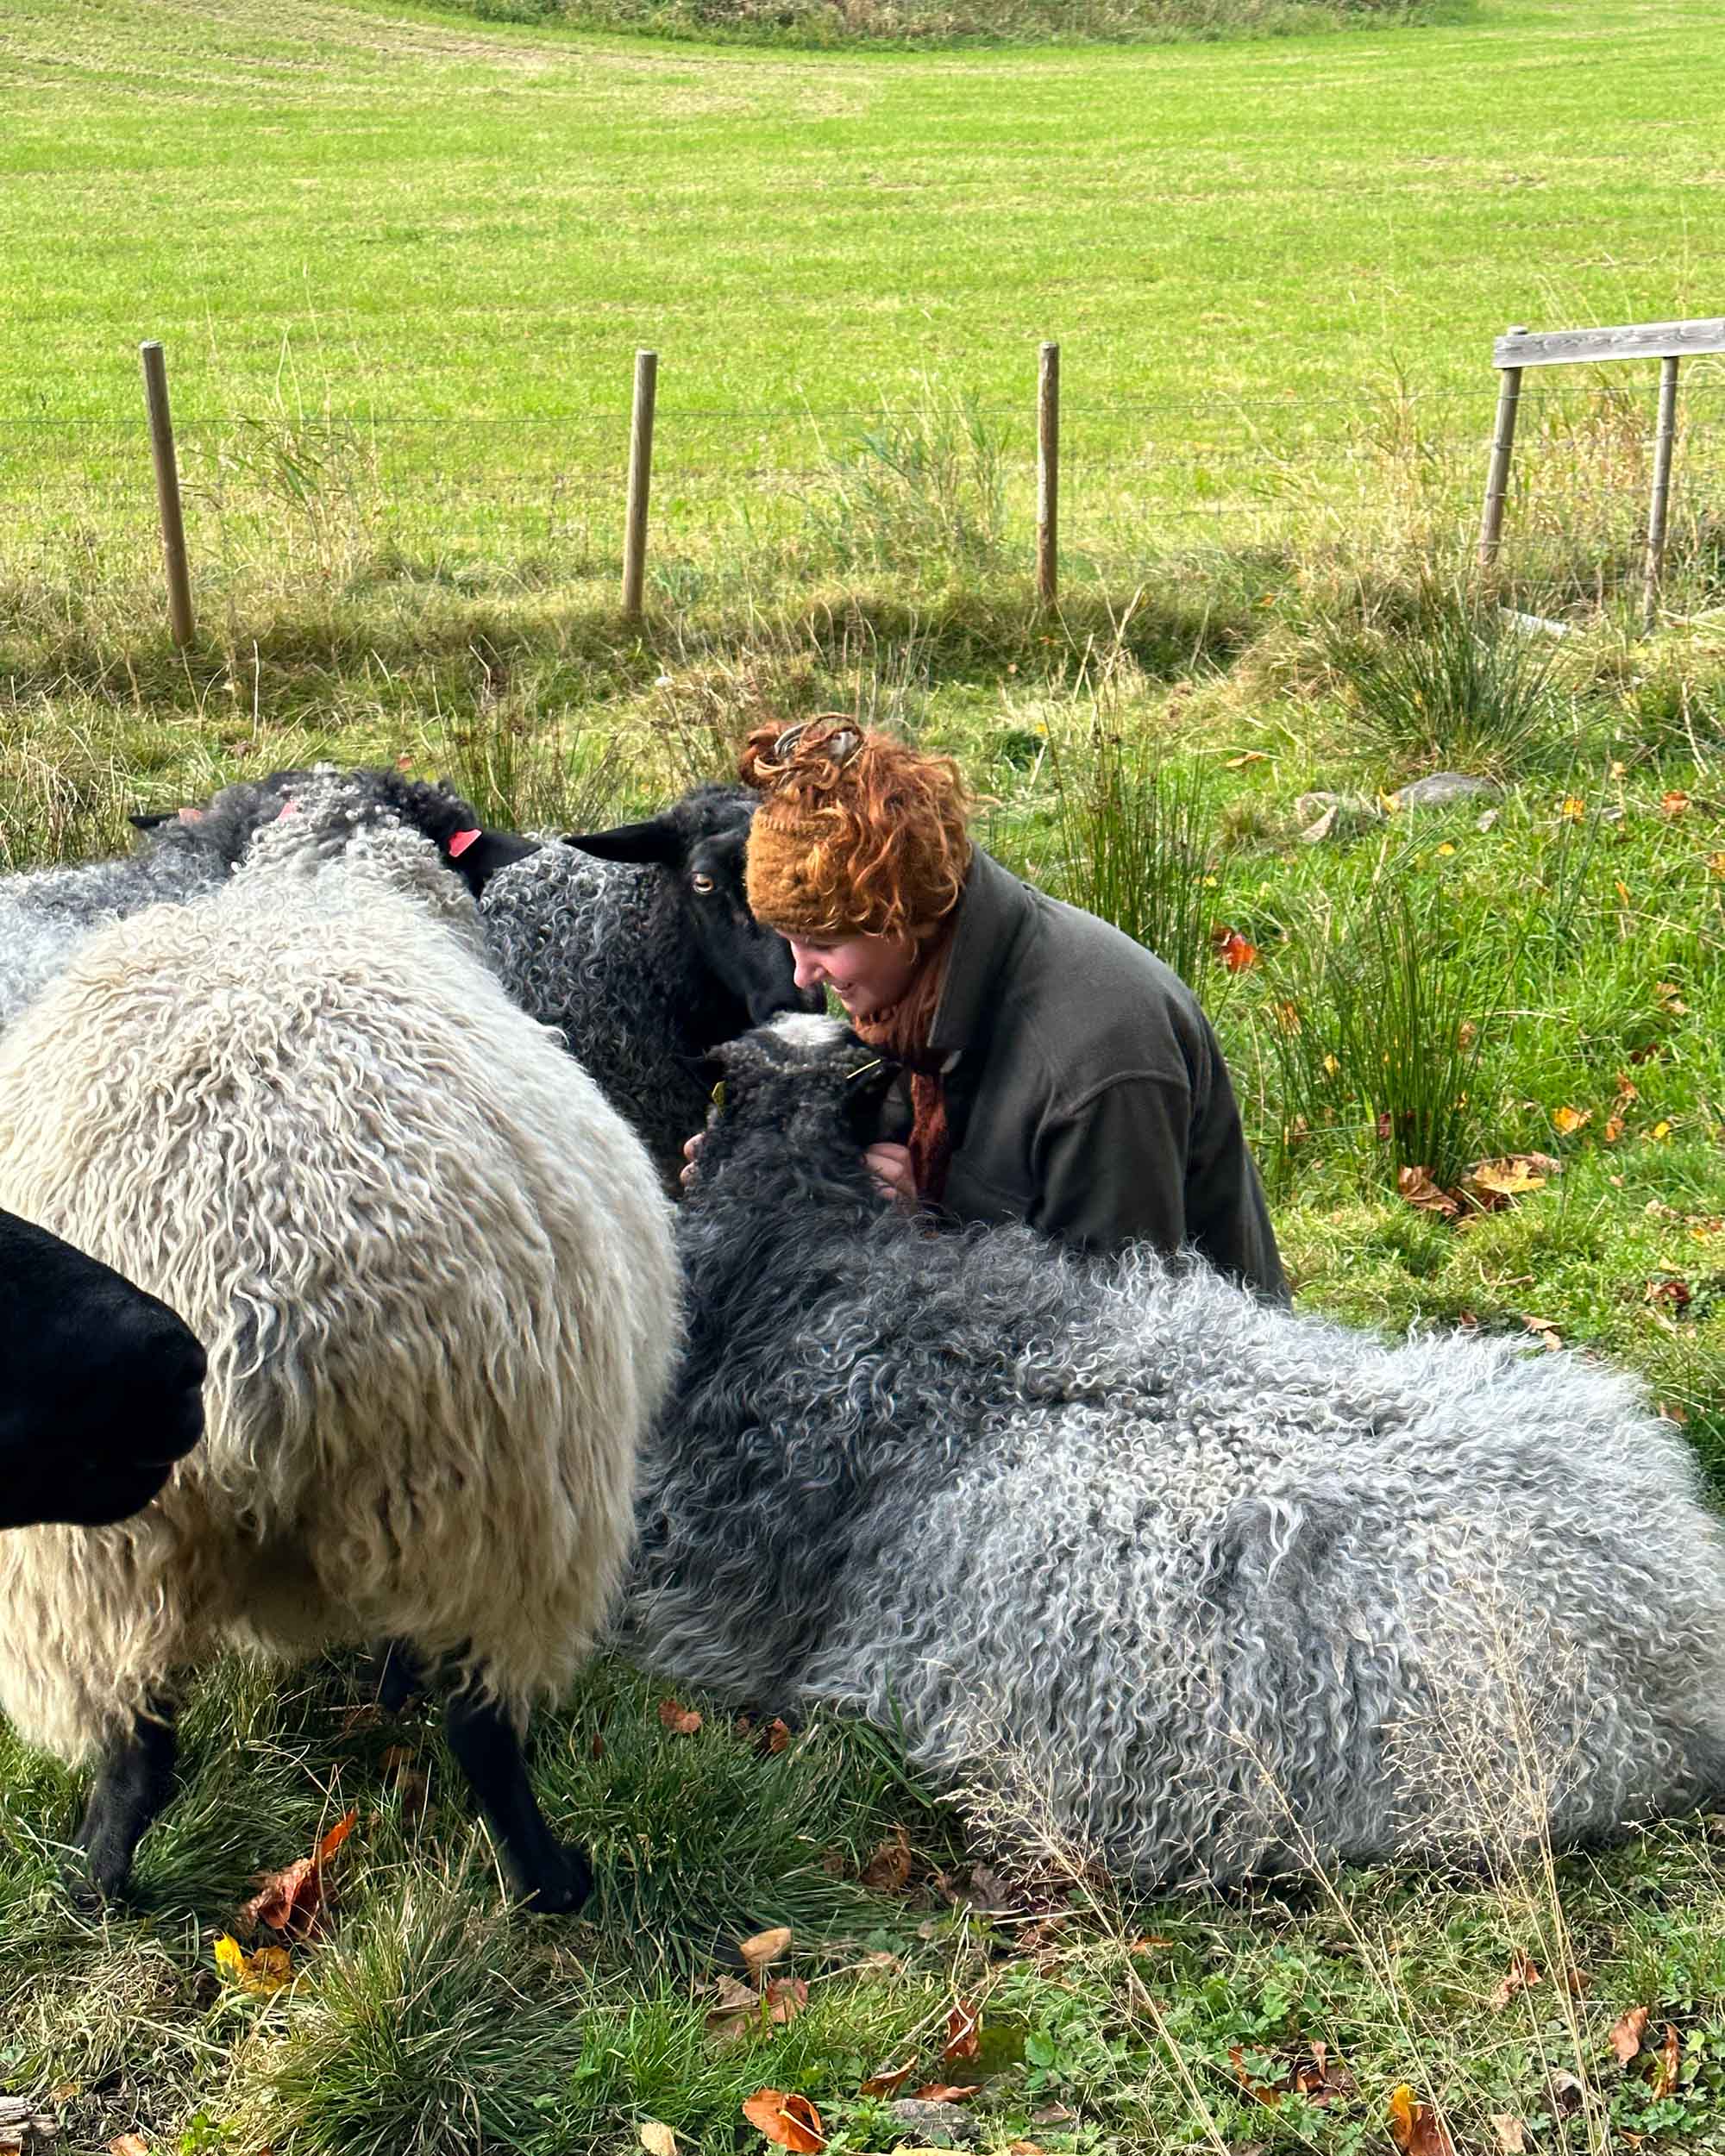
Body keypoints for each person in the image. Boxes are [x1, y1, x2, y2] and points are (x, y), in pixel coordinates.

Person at [696, 717, 1289, 1303]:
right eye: (789, 940)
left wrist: (915, 1239)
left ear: (900, 916)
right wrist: (759, 1172)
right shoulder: (911, 991)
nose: (802, 975)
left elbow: (1110, 1340)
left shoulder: (1099, 1066)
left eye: (823, 943)